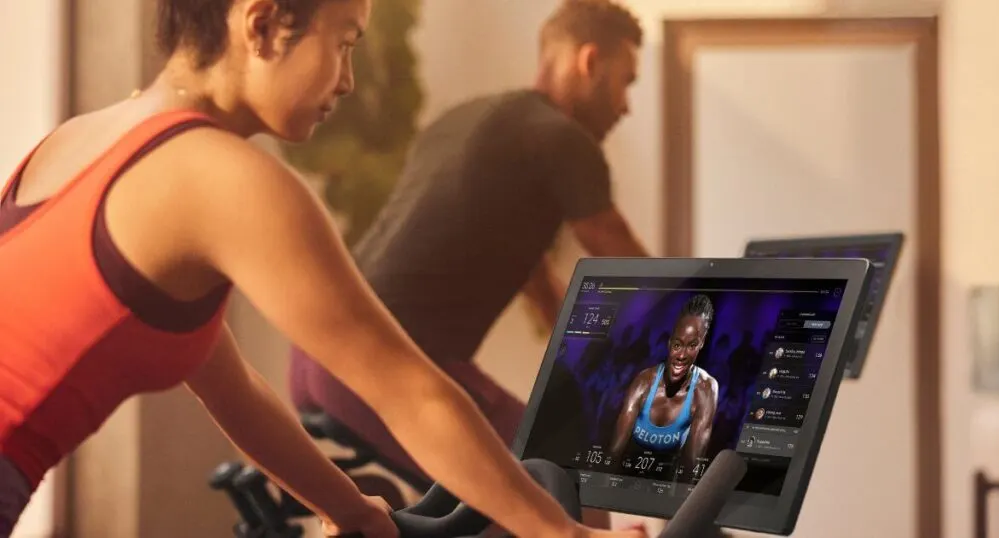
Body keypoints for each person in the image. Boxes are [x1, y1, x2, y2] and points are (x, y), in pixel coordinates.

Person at [0, 1, 648, 537]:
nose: (349, 81)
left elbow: (234, 391)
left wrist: (346, 509)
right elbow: (407, 390)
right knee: (552, 474)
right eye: (344, 44)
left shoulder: (80, 140)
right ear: (260, 25)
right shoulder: (224, 177)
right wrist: (565, 533)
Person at [289, 0, 651, 511]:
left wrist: (577, 367)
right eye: (625, 81)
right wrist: (720, 347)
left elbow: (527, 267)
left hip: (316, 358)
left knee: (526, 483)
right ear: (589, 61)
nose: (626, 104)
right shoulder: (565, 141)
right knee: (567, 481)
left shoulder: (470, 119)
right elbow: (633, 268)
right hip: (381, 366)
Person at [609, 295, 719, 477]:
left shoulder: (706, 389)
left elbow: (690, 469)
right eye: (677, 344)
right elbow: (614, 453)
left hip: (666, 490)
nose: (681, 355)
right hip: (623, 480)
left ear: (702, 344)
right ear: (669, 343)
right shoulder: (644, 381)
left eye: (692, 345)